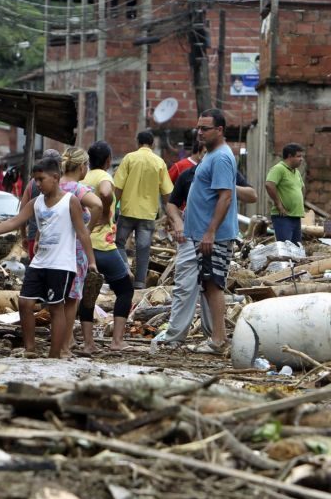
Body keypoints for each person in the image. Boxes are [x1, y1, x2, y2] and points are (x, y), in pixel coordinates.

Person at [0, 157, 97, 358]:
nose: (37, 184)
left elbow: (82, 233)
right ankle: (30, 349)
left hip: (61, 265)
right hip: (39, 262)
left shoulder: (70, 201)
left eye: (40, 179)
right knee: (25, 303)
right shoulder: (36, 203)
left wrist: (92, 262)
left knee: (55, 307)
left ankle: (54, 355)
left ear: (55, 177)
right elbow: (15, 221)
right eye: (35, 180)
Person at [158, 129, 256, 350]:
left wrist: (226, 184)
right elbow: (172, 203)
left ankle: (215, 337)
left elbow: (245, 195)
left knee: (212, 284)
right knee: (192, 286)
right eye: (201, 152)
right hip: (191, 237)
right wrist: (178, 223)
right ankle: (177, 336)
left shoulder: (222, 164)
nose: (203, 157)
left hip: (210, 236)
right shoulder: (189, 174)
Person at [79, 141, 136, 354]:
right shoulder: (104, 177)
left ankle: (88, 343)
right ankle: (117, 341)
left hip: (84, 246)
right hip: (103, 245)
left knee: (88, 293)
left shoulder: (83, 178)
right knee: (125, 289)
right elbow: (105, 192)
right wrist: (103, 212)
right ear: (108, 160)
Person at [58, 147, 104, 356]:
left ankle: (62, 341)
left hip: (55, 248)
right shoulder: (77, 189)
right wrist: (89, 229)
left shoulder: (53, 185)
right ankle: (65, 344)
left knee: (58, 298)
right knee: (72, 298)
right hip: (75, 249)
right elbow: (98, 205)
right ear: (83, 166)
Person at [114, 130, 173, 289]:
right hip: (147, 214)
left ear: (137, 142)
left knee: (118, 243)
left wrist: (113, 207)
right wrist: (170, 213)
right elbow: (167, 192)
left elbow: (118, 187)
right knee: (143, 248)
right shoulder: (159, 162)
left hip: (127, 211)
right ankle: (140, 283)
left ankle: (125, 272)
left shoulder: (129, 158)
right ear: (152, 144)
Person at [18, 149, 63, 260]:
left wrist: (24, 236)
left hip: (35, 238)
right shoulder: (67, 184)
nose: (39, 183)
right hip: (59, 242)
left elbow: (21, 212)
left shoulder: (32, 184)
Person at [265, 143, 306, 244]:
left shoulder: (296, 172)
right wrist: (279, 204)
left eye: (302, 156)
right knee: (285, 248)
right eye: (298, 156)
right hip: (283, 216)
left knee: (296, 248)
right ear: (289, 156)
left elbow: (301, 188)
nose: (301, 159)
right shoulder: (279, 169)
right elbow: (269, 184)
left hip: (296, 216)